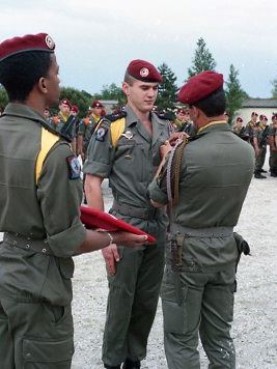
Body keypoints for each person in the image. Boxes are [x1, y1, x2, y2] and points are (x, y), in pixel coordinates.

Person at [0, 33, 147, 369]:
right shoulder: (54, 151)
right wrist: (116, 238)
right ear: (42, 84)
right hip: (38, 283)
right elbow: (65, 239)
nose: (59, 80)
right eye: (56, 73)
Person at [148, 70, 255, 369]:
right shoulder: (246, 152)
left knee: (182, 338)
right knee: (220, 337)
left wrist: (168, 156)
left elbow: (155, 197)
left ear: (195, 111)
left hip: (187, 252)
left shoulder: (184, 154)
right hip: (225, 249)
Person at [83, 59, 172, 369]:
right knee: (121, 301)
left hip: (158, 225)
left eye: (155, 89)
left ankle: (134, 359)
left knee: (147, 301)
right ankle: (112, 362)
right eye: (144, 88)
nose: (151, 95)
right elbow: (93, 182)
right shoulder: (112, 125)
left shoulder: (165, 124)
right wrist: (103, 237)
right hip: (125, 223)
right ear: (126, 88)